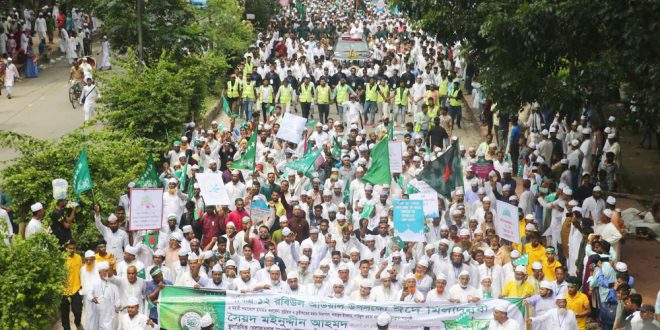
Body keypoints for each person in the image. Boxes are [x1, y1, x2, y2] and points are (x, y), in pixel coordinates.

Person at [62, 240, 83, 330]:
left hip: (76, 288)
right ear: (66, 248)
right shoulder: (61, 259)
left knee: (78, 311)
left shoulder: (78, 258)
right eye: (70, 248)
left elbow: (81, 272)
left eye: (74, 248)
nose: (72, 250)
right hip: (64, 291)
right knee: (65, 314)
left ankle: (77, 322)